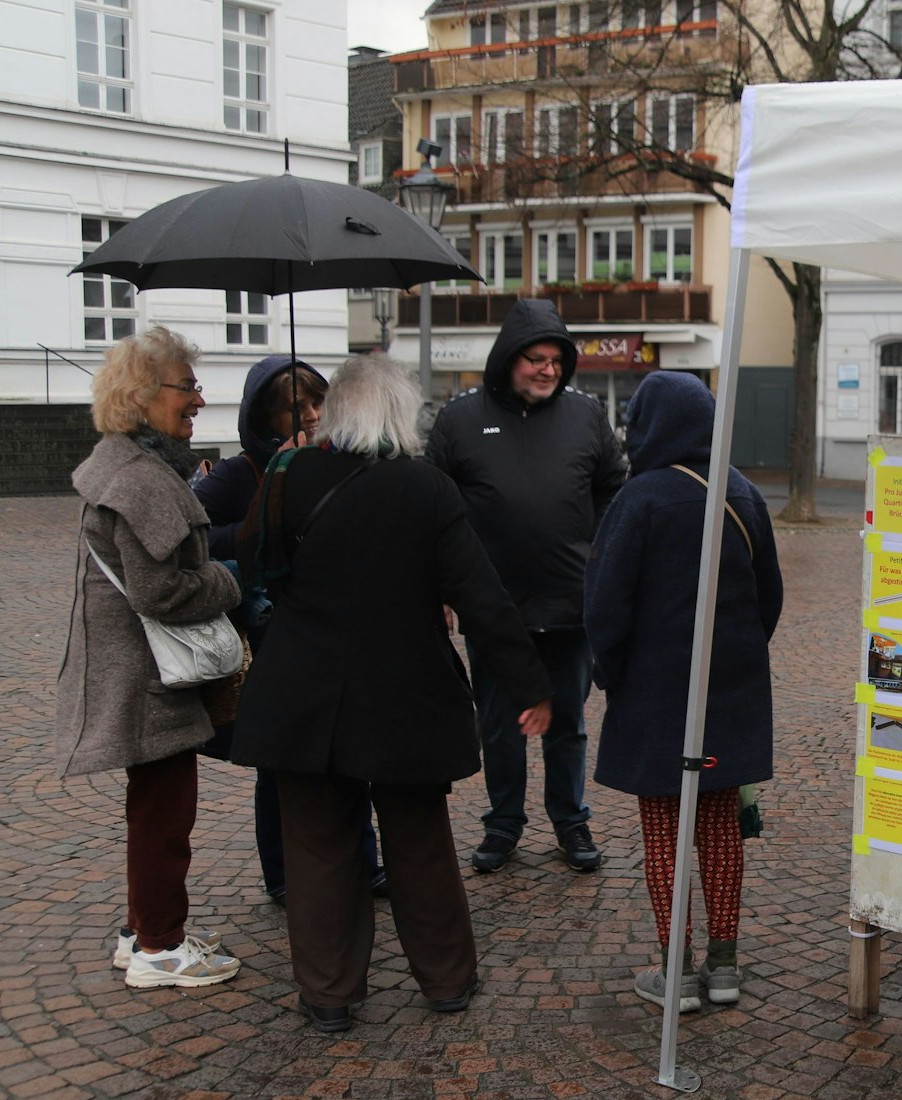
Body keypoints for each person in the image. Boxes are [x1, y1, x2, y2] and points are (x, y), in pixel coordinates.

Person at [230, 355, 553, 1033]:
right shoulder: (426, 488)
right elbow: (482, 597)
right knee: (420, 843)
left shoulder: (291, 476)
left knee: (317, 848)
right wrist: (529, 683)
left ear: (337, 411)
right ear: (399, 414)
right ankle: (447, 981)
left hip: (303, 693)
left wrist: (282, 471)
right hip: (404, 693)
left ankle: (328, 993)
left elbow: (256, 564)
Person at [585, 372, 782, 1011]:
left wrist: (610, 673)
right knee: (721, 822)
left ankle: (677, 973)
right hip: (730, 690)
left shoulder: (638, 499)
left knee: (666, 828)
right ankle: (724, 969)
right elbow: (769, 598)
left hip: (654, 694)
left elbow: (605, 605)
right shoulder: (743, 493)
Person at [56, 326, 244, 988]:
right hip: (149, 679)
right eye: (187, 386)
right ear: (144, 394)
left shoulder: (126, 466)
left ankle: (144, 927)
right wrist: (229, 579)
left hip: (135, 671)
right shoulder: (140, 479)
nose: (197, 398)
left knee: (154, 807)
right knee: (166, 813)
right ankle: (160, 948)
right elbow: (163, 588)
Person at [428, 299, 626, 875]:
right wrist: (444, 583)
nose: (547, 370)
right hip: (493, 608)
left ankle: (570, 820)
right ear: (507, 360)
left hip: (569, 605)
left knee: (567, 723)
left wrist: (598, 553)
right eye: (534, 359)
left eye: (556, 360)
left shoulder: (586, 416)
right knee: (501, 725)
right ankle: (503, 824)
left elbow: (615, 488)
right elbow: (434, 504)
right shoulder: (460, 417)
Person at [190, 357, 383, 906]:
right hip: (272, 639)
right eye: (298, 406)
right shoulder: (240, 472)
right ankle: (280, 873)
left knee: (349, 751)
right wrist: (265, 519)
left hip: (335, 631)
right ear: (266, 415)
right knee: (278, 763)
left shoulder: (339, 461)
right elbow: (196, 536)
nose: (315, 415)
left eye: (320, 402)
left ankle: (364, 863)